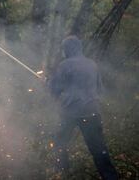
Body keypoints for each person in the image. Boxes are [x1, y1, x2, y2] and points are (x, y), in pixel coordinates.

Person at [48, 36, 118, 180]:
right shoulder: (92, 64)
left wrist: (48, 83)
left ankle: (62, 173)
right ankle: (111, 177)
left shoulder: (65, 65)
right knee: (99, 150)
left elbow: (54, 90)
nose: (63, 51)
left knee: (60, 142)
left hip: (71, 112)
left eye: (64, 48)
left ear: (68, 49)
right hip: (92, 112)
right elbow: (100, 90)